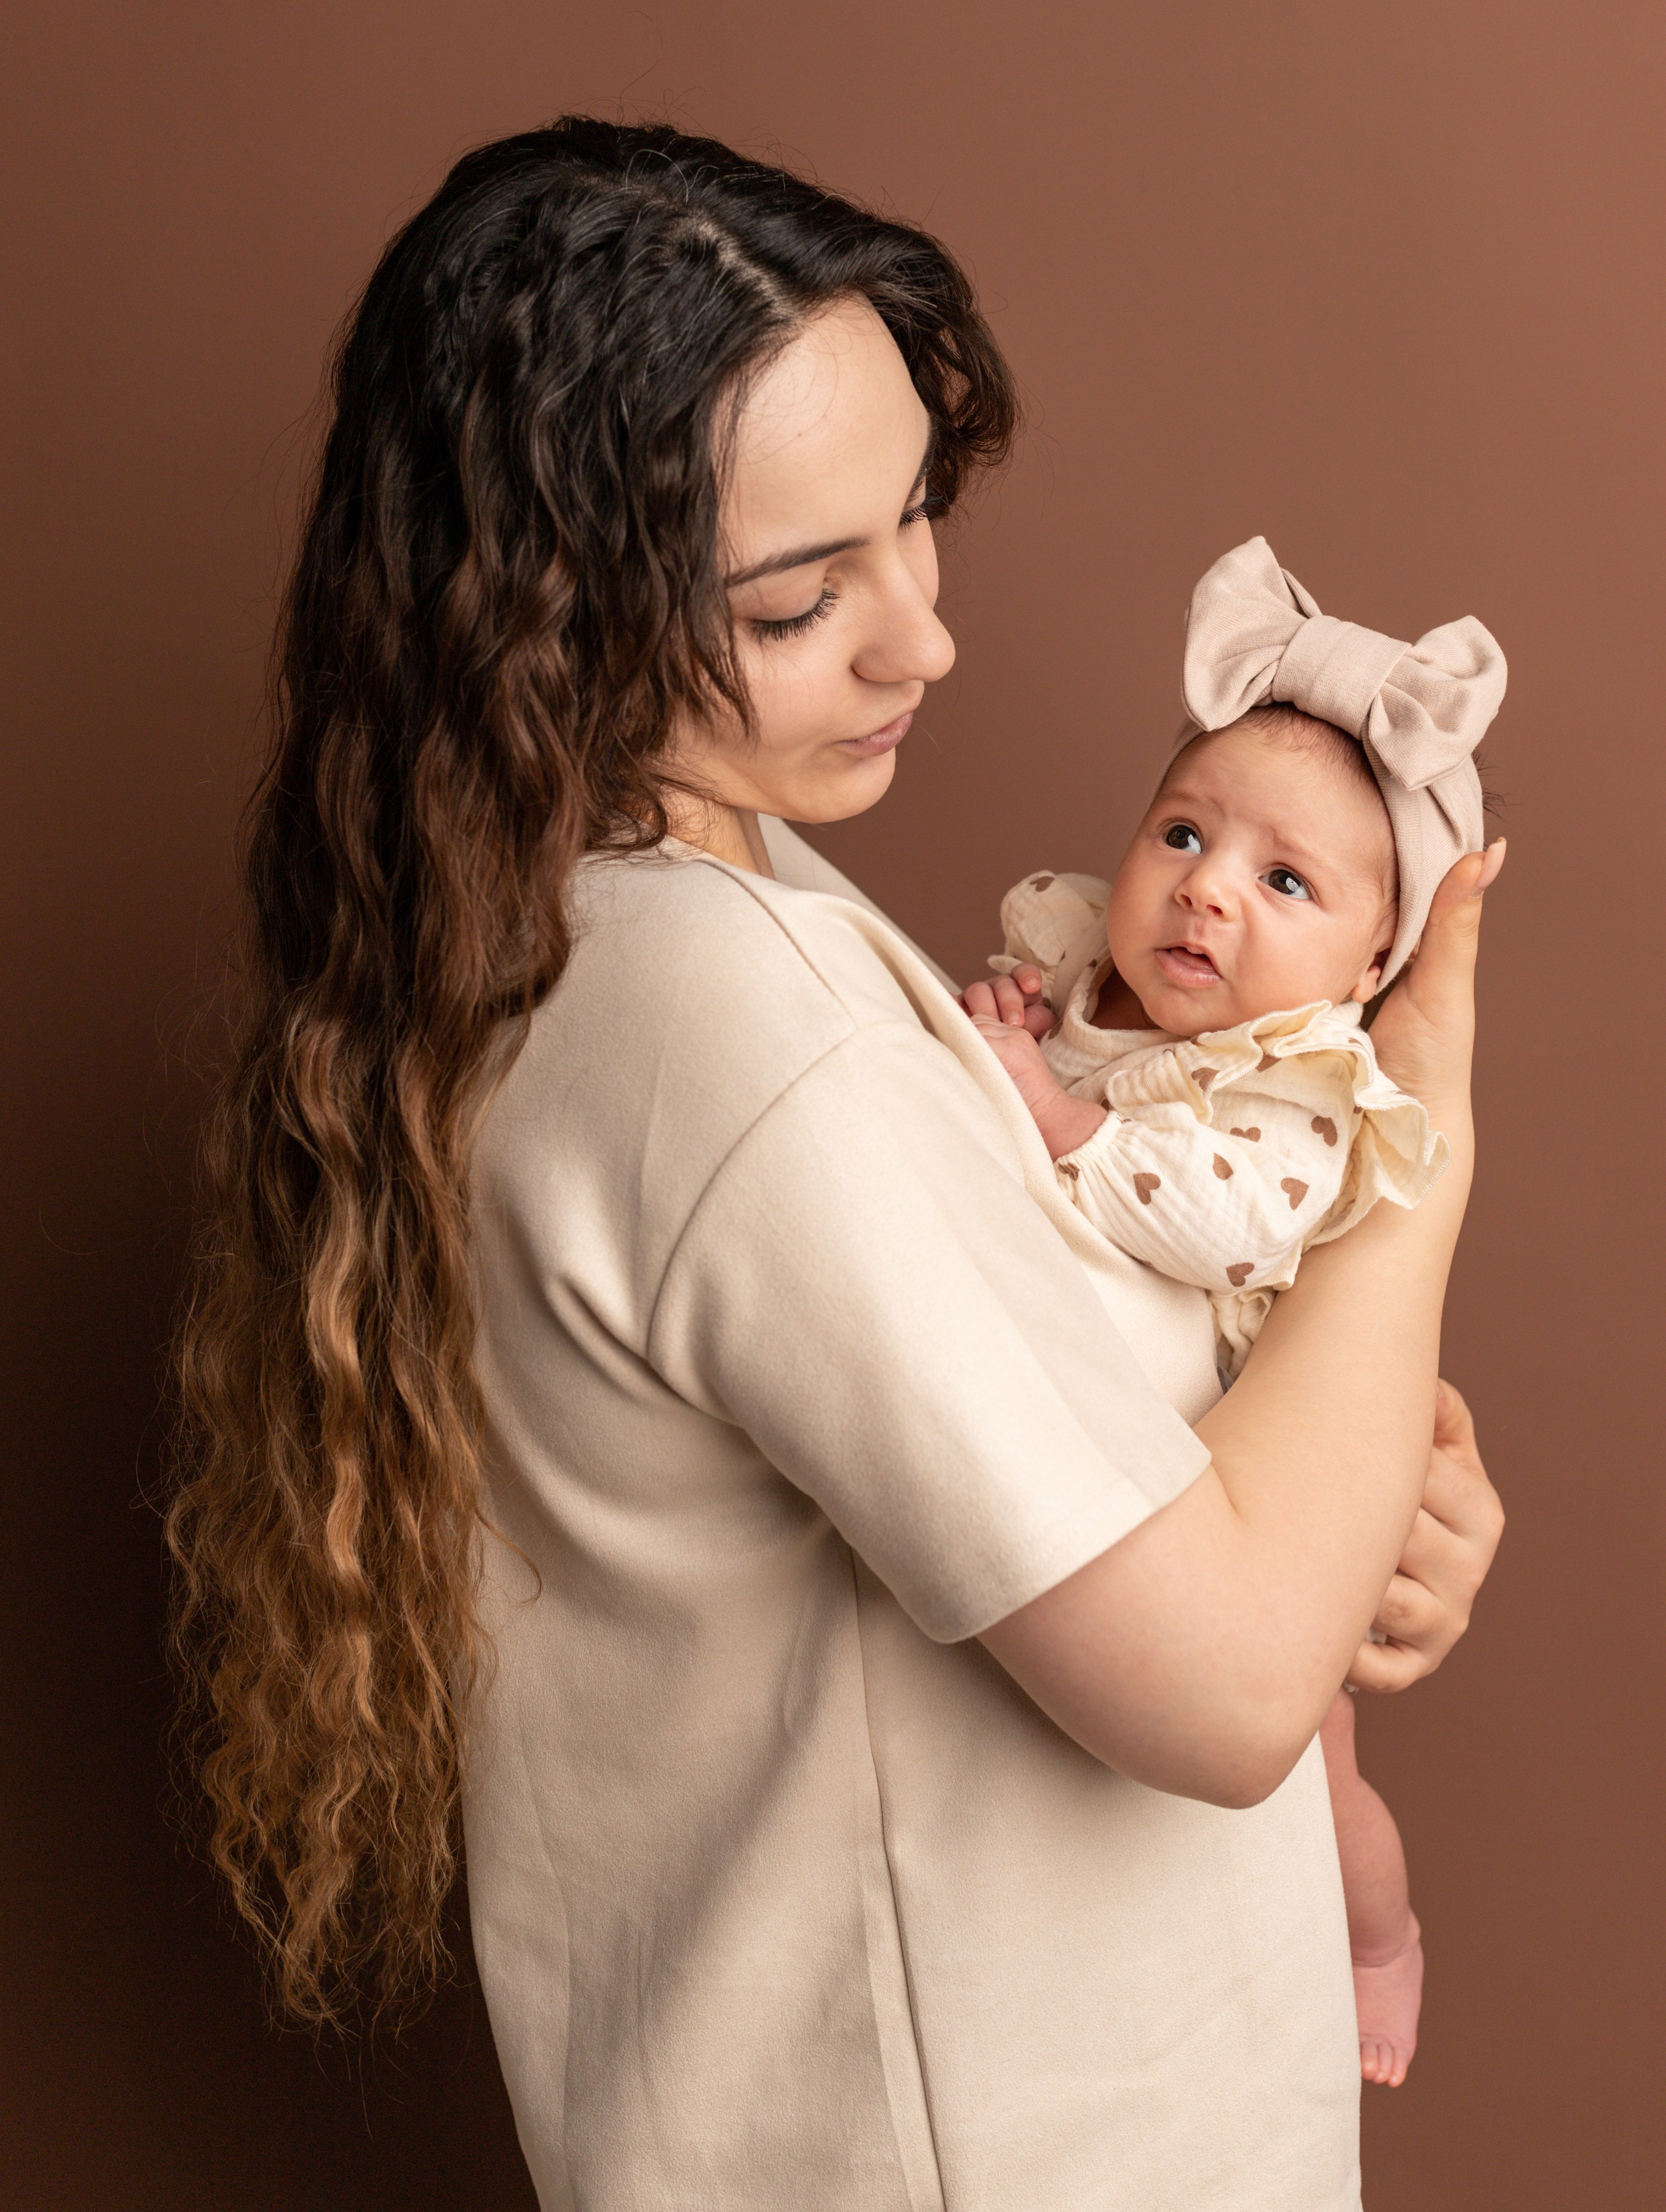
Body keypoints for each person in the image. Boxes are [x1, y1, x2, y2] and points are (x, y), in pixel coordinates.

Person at [168, 121, 1505, 2211]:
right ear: (552, 614)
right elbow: (1233, 1685)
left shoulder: (646, 902)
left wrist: (1345, 1503)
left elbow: (1091, 1441)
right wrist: (1419, 1145)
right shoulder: (730, 1030)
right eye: (803, 598)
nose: (923, 642)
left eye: (914, 525)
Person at [960, 536, 1509, 2090]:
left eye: (1284, 882)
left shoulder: (1300, 1092)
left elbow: (1213, 1215)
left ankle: (1378, 1937)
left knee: (1319, 1795)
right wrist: (1014, 1036)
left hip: (1273, 1490)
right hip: (1125, 1513)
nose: (1205, 890)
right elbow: (1026, 1099)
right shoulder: (1094, 983)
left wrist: (1056, 1125)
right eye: (1182, 834)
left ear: (1369, 963)